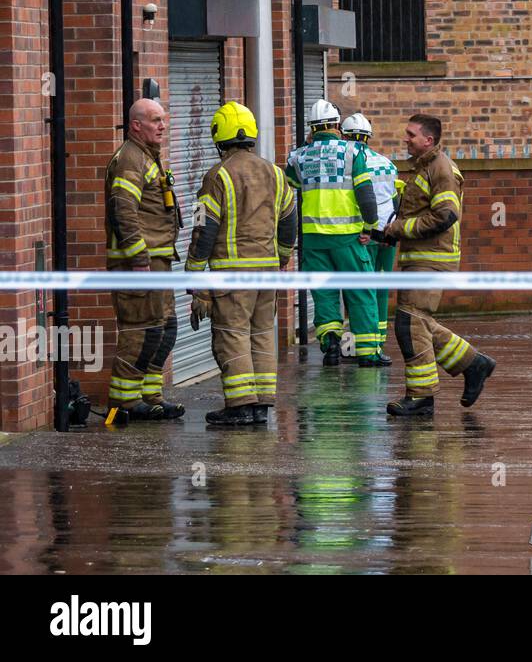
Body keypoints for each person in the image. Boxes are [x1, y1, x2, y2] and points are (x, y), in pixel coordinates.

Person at [185, 102, 298, 426]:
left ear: (219, 138)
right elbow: (289, 220)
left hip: (232, 274)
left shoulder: (217, 176)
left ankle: (239, 405)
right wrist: (282, 256)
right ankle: (261, 404)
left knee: (231, 334)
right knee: (262, 333)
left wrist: (194, 275)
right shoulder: (275, 173)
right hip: (267, 273)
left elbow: (204, 228)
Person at [383, 113, 496, 417]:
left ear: (428, 140)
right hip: (420, 259)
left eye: (411, 134)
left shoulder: (441, 169)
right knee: (417, 322)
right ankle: (473, 364)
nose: (405, 139)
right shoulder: (425, 167)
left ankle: (421, 397)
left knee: (410, 323)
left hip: (431, 261)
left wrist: (398, 230)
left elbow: (446, 215)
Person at [103, 97, 185, 423]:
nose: (162, 126)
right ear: (136, 125)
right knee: (139, 331)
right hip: (137, 264)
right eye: (155, 120)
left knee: (164, 330)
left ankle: (150, 396)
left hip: (159, 261)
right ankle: (124, 401)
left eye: (163, 120)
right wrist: (137, 256)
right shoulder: (129, 160)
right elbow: (123, 208)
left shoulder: (149, 156)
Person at [285, 100, 382, 366]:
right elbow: (365, 194)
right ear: (337, 125)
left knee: (324, 293)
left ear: (312, 128)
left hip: (314, 239)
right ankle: (368, 352)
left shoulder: (298, 157)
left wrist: (308, 145)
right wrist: (370, 227)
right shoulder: (353, 152)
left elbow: (292, 182)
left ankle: (330, 346)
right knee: (360, 292)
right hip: (348, 236)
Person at [341, 112, 397, 366]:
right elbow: (395, 199)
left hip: (360, 235)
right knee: (380, 289)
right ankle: (377, 342)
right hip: (386, 233)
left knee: (358, 291)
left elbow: (358, 199)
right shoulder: (387, 163)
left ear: (345, 135)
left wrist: (365, 229)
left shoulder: (345, 161)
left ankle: (358, 345)